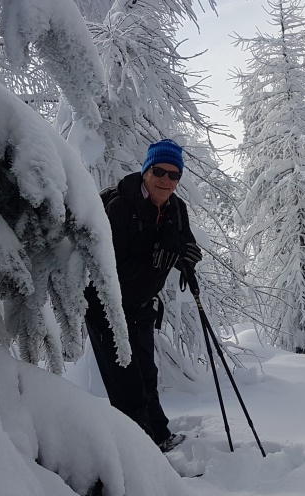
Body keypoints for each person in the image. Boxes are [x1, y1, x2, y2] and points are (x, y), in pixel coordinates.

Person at [84, 139, 201, 452]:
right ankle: (140, 453)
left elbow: (183, 243)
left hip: (142, 306)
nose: (166, 180)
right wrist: (155, 259)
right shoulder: (119, 207)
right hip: (106, 308)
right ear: (146, 171)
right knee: (126, 386)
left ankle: (159, 436)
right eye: (159, 171)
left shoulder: (176, 208)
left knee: (147, 375)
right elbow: (106, 269)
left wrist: (187, 257)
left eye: (174, 175)